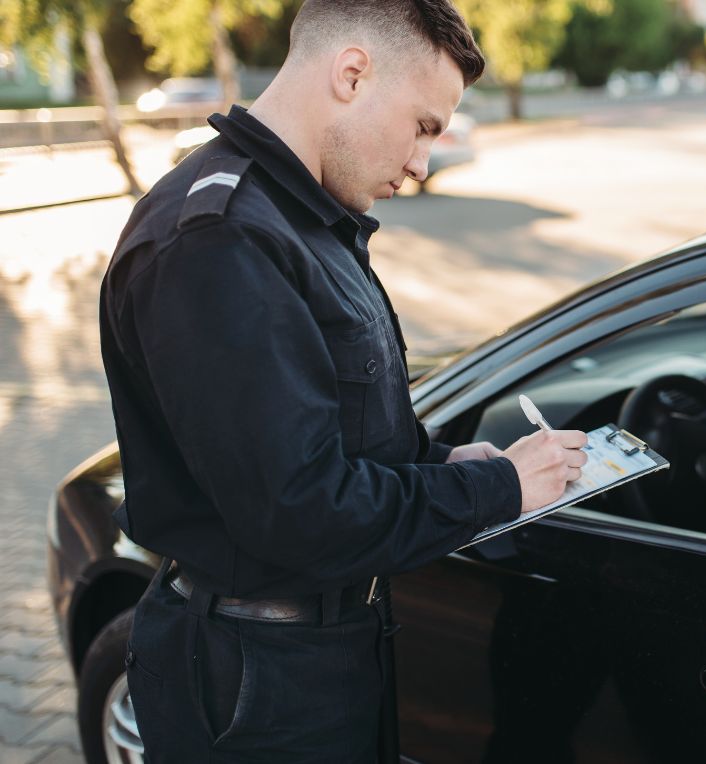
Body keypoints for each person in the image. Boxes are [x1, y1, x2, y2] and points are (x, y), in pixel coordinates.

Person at [98, 1, 588, 761]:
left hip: (316, 651)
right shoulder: (221, 241)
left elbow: (335, 429)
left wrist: (438, 464)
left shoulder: (301, 217)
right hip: (255, 680)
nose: (424, 162)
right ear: (352, 74)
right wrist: (499, 491)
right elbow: (298, 510)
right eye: (424, 125)